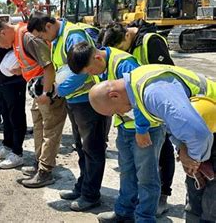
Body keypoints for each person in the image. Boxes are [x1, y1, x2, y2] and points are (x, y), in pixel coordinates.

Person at [89, 64, 216, 223]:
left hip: (209, 129)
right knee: (196, 195)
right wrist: (183, 147)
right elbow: (170, 122)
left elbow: (198, 133)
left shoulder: (154, 92)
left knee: (212, 201)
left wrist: (194, 160)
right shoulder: (135, 84)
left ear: (114, 96)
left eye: (116, 111)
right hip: (204, 128)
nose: (120, 114)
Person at [68, 42, 166, 222]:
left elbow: (139, 95)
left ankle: (144, 218)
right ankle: (124, 212)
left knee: (146, 177)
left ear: (97, 58)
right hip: (125, 127)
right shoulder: (101, 66)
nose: (91, 75)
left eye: (89, 71)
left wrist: (141, 129)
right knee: (127, 172)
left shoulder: (125, 64)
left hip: (145, 129)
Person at [27, 13, 105, 212]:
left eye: (43, 35)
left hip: (88, 100)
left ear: (49, 25)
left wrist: (55, 92)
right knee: (81, 147)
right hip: (75, 99)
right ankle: (83, 186)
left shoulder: (73, 36)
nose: (44, 40)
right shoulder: (60, 37)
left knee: (92, 148)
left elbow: (82, 71)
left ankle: (90, 195)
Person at [101, 20, 176, 215]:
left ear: (127, 36)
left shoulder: (151, 41)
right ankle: (132, 208)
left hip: (155, 112)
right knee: (135, 169)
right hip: (138, 114)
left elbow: (168, 75)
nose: (120, 53)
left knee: (162, 154)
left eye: (120, 48)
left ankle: (162, 197)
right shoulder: (128, 47)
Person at [0, 19, 67, 189]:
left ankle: (45, 171)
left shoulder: (27, 37)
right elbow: (34, 64)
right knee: (39, 127)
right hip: (38, 91)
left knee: (50, 130)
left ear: (2, 33)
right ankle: (39, 164)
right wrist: (21, 71)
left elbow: (48, 65)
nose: (0, 47)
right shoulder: (16, 39)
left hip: (47, 91)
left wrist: (46, 93)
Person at [0, 23, 28, 169]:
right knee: (7, 116)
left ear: (2, 33)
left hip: (15, 82)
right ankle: (7, 145)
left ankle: (17, 153)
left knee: (16, 116)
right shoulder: (8, 40)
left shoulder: (22, 36)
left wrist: (23, 69)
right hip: (3, 82)